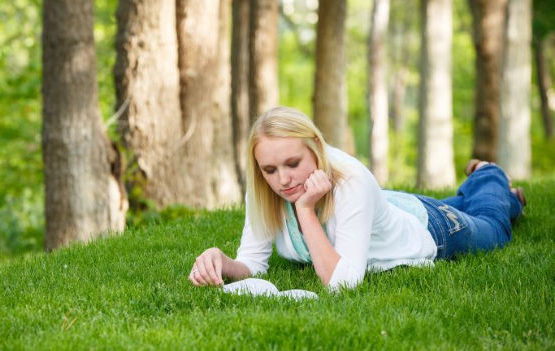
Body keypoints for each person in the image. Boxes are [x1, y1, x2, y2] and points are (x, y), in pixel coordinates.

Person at [188, 106, 526, 291]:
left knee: (493, 224)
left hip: (433, 231)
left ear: (317, 151)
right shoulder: (265, 187)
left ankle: (488, 175)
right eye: (270, 169)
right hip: (388, 207)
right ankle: (502, 195)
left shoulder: (351, 181)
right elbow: (253, 264)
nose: (284, 179)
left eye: (293, 164)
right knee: (468, 204)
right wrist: (222, 261)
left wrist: (305, 209)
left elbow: (343, 284)